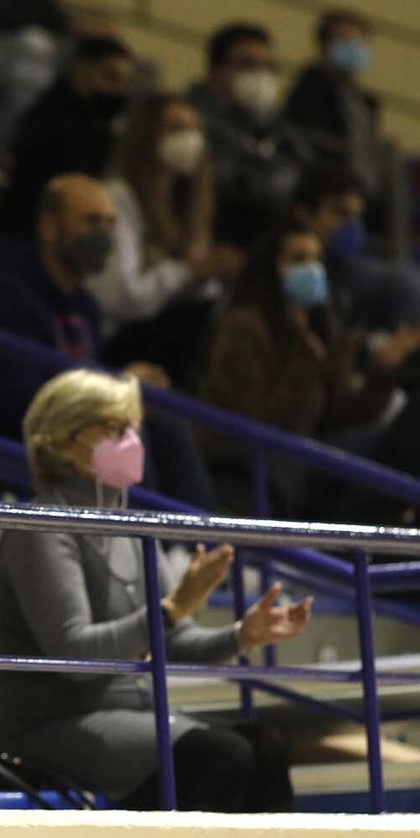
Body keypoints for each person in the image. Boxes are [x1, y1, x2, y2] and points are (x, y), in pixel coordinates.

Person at [0, 368, 309, 811]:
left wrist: (242, 634)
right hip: (48, 724)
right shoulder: (41, 529)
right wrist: (172, 609)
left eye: (132, 429)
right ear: (59, 440)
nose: (131, 441)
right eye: (114, 429)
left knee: (266, 746)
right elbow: (76, 656)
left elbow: (171, 638)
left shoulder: (134, 531)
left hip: (133, 715)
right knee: (220, 757)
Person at [0, 175, 213, 508]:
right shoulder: (1, 298)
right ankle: (141, 545)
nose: (104, 235)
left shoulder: (86, 308)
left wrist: (120, 385)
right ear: (50, 227)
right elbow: (20, 404)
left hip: (65, 441)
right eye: (91, 221)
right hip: (1, 446)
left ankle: (202, 543)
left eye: (110, 223)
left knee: (160, 418)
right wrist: (113, 388)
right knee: (122, 427)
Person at [199, 224, 420, 516]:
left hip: (307, 453)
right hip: (261, 461)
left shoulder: (321, 326)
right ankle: (346, 553)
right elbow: (255, 418)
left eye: (316, 259)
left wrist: (383, 371)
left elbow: (339, 416)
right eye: (299, 259)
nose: (311, 269)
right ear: (273, 267)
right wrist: (304, 361)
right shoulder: (244, 327)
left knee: (393, 438)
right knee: (389, 446)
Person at [88, 94, 240, 388]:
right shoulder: (118, 197)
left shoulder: (188, 207)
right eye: (176, 129)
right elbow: (121, 297)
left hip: (161, 350)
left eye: (194, 130)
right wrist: (189, 271)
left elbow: (191, 296)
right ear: (147, 136)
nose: (189, 140)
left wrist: (210, 272)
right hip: (113, 343)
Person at [0, 35, 132, 238]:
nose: (119, 90)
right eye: (111, 77)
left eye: (124, 81)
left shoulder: (100, 128)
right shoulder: (48, 120)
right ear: (82, 69)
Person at [189, 23, 312, 251]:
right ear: (215, 72)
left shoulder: (282, 132)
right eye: (247, 64)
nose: (260, 75)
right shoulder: (192, 120)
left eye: (268, 67)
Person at [288, 166, 420, 332]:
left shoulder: (344, 275)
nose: (352, 226)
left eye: (357, 217)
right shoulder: (276, 275)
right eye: (341, 214)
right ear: (303, 214)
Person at [283, 9, 383, 201]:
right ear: (323, 47)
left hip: (362, 197)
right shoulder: (308, 92)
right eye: (344, 41)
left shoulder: (366, 103)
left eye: (359, 42)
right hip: (326, 195)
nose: (353, 49)